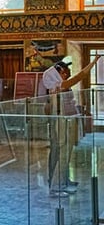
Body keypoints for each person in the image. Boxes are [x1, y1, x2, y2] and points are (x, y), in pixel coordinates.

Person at [39, 56, 99, 197]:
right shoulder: (58, 86)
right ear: (56, 74)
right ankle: (56, 185)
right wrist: (93, 62)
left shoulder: (61, 86)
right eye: (65, 72)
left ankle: (63, 180)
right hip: (61, 122)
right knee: (61, 152)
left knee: (64, 152)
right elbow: (80, 76)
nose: (67, 74)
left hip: (66, 120)